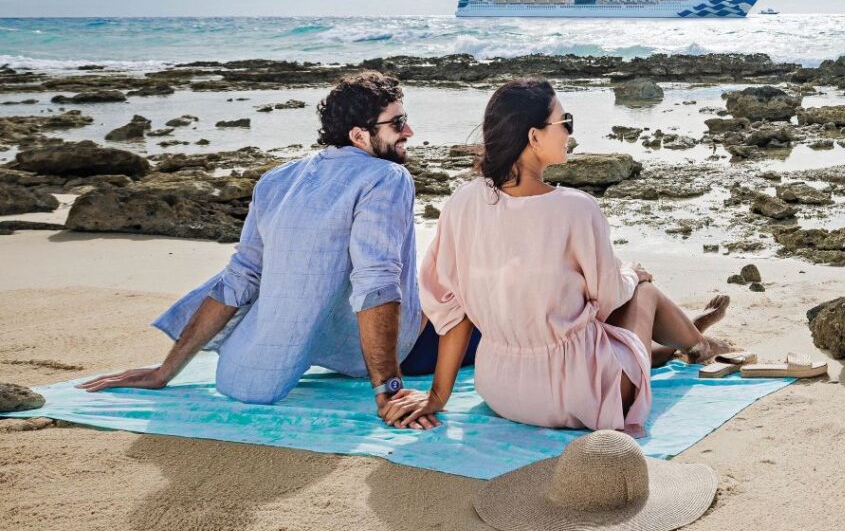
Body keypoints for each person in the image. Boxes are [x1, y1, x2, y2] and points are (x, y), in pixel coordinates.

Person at [80, 70, 478, 431]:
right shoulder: (385, 176)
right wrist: (389, 390)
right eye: (397, 123)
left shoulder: (277, 179)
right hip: (400, 350)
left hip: (324, 345)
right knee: (490, 309)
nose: (408, 131)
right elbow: (376, 284)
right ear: (359, 135)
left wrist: (165, 371)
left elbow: (239, 278)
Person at [379, 77, 729, 434]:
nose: (569, 132)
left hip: (501, 390)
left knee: (586, 308)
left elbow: (453, 310)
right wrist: (630, 276)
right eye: (565, 123)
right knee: (642, 291)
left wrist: (438, 396)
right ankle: (698, 345)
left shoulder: (462, 203)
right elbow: (608, 298)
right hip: (580, 398)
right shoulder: (576, 208)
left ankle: (673, 344)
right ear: (534, 136)